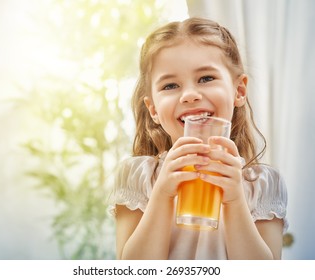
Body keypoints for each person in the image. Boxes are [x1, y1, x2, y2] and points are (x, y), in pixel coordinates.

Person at [109, 17, 288, 260]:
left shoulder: (261, 185)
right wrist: (161, 194)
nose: (190, 95)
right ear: (153, 109)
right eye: (170, 85)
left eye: (206, 78)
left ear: (239, 91)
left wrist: (235, 200)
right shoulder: (140, 178)